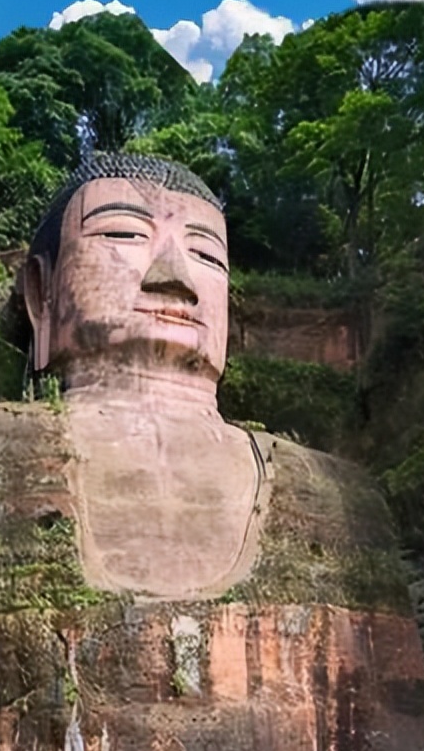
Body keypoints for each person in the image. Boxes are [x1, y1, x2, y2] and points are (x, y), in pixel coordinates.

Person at [21, 153, 269, 599]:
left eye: (207, 255)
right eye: (124, 233)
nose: (175, 277)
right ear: (43, 292)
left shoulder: (333, 491)